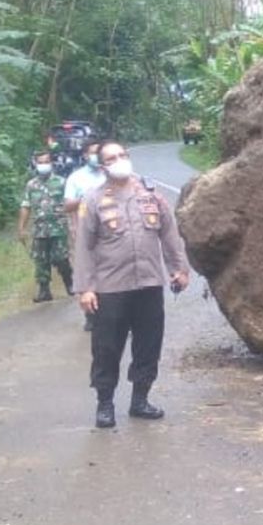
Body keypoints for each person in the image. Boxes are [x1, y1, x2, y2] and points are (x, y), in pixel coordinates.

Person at [73, 141, 190, 429]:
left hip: (149, 284)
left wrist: (179, 269)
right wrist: (85, 288)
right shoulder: (93, 200)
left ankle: (140, 399)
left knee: (148, 345)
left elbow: (169, 233)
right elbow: (84, 247)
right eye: (112, 158)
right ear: (103, 167)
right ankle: (105, 404)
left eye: (123, 155)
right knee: (107, 347)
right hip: (110, 287)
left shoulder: (151, 195)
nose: (120, 160)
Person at [64, 139, 106, 331]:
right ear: (85, 156)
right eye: (93, 152)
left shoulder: (110, 174)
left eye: (99, 152)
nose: (96, 156)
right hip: (84, 233)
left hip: (111, 233)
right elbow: (67, 205)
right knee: (87, 271)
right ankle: (90, 313)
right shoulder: (76, 178)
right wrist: (87, 198)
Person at [18, 151, 71, 303]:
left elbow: (69, 203)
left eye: (46, 161)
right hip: (40, 229)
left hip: (59, 227)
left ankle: (69, 282)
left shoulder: (61, 182)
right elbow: (25, 206)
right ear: (35, 164)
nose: (44, 165)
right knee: (41, 260)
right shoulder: (31, 185)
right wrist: (21, 228)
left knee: (61, 258)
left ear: (51, 163)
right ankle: (44, 290)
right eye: (41, 162)